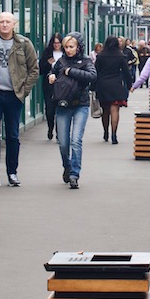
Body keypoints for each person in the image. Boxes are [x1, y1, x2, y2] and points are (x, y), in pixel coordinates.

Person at [0, 12, 39, 188]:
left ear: (14, 24)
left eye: (8, 22)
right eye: (1, 21)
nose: (4, 25)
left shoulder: (24, 44)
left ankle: (12, 173)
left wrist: (23, 91)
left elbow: (34, 70)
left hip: (14, 95)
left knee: (12, 135)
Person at [48, 32, 96, 189]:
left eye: (71, 47)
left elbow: (92, 76)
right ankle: (67, 166)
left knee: (76, 140)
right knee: (63, 142)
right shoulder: (60, 62)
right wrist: (51, 76)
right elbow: (52, 72)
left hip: (80, 104)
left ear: (78, 47)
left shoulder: (86, 61)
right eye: (66, 47)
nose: (68, 50)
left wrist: (71, 71)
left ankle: (74, 174)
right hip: (63, 105)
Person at [94, 36, 132, 144]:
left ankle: (105, 132)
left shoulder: (100, 56)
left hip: (103, 84)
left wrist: (93, 86)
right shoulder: (120, 56)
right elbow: (126, 72)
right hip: (116, 84)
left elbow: (96, 71)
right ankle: (114, 134)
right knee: (115, 110)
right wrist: (130, 85)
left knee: (105, 111)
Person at [39, 33, 64, 140]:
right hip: (49, 84)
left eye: (58, 43)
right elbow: (40, 69)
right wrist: (48, 63)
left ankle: (59, 132)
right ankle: (50, 128)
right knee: (50, 109)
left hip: (62, 85)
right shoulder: (47, 53)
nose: (56, 45)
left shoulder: (65, 54)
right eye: (55, 43)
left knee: (61, 108)